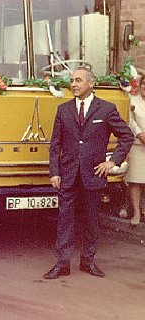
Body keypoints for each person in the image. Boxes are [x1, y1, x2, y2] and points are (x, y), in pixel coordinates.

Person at [43, 67, 134, 280]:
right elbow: (55, 144)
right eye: (72, 80)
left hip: (93, 175)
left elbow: (126, 136)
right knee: (65, 220)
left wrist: (112, 162)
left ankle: (88, 261)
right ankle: (62, 263)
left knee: (92, 220)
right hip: (68, 175)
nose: (73, 84)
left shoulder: (106, 109)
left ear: (91, 84)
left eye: (78, 80)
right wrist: (54, 172)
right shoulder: (63, 110)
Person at [124, 74, 145, 227]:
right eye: (143, 84)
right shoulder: (132, 100)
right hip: (137, 145)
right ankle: (136, 212)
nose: (144, 87)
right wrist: (140, 133)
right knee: (135, 181)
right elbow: (129, 119)